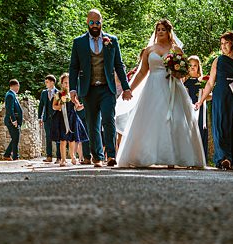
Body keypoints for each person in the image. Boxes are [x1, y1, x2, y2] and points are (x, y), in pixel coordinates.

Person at [114, 19, 206, 169]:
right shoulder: (149, 50)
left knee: (175, 119)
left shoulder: (176, 50)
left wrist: (177, 73)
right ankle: (146, 156)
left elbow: (183, 73)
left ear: (169, 31)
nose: (160, 31)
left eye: (163, 29)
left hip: (173, 88)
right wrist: (129, 89)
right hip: (153, 88)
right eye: (158, 29)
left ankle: (175, 157)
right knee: (151, 120)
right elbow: (142, 72)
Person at [68, 9, 132, 167]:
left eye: (98, 22)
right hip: (88, 89)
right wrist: (73, 89)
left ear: (101, 22)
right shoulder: (79, 42)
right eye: (92, 22)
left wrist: (126, 87)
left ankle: (111, 155)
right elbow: (74, 67)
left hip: (107, 88)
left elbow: (118, 65)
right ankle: (97, 156)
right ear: (87, 22)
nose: (95, 25)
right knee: (92, 123)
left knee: (109, 120)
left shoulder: (112, 40)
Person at [196, 32, 233, 170]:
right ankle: (223, 158)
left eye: (226, 43)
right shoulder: (218, 60)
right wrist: (201, 100)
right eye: (221, 43)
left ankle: (231, 158)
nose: (223, 46)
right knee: (221, 125)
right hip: (221, 94)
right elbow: (210, 83)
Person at [184, 55, 210, 164]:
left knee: (200, 130)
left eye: (195, 65)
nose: (193, 68)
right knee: (190, 131)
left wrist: (203, 98)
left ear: (199, 67)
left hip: (201, 108)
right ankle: (189, 158)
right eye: (190, 65)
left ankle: (201, 159)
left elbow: (210, 95)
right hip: (189, 109)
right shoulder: (185, 82)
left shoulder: (203, 81)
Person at [36, 74, 58, 163]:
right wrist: (39, 118)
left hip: (56, 118)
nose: (46, 84)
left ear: (52, 82)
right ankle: (49, 156)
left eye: (47, 82)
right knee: (48, 137)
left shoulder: (58, 92)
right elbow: (41, 105)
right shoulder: (44, 93)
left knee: (57, 137)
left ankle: (59, 157)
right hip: (46, 119)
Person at [2, 79, 23, 161]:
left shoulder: (12, 94)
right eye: (18, 86)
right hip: (12, 121)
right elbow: (10, 109)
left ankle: (7, 155)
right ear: (13, 86)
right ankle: (15, 157)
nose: (18, 88)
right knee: (16, 138)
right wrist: (14, 120)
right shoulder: (10, 95)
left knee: (15, 138)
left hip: (15, 121)